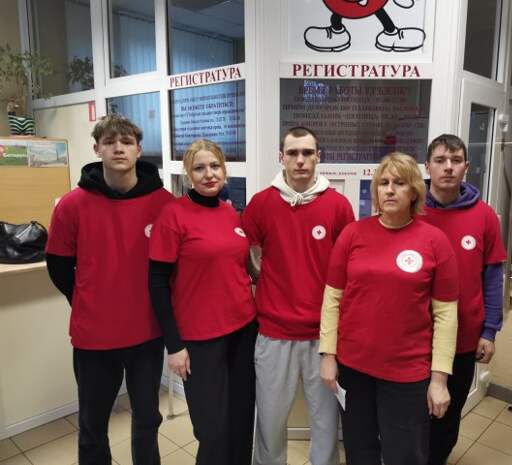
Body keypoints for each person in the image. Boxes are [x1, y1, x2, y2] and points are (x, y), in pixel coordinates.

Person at [46, 115, 174, 465]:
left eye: (127, 142)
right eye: (110, 142)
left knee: (147, 419)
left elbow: (174, 266)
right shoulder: (72, 204)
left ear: (139, 150)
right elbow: (58, 266)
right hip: (94, 336)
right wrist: (87, 299)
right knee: (93, 423)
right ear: (97, 149)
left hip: (147, 332)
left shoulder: (164, 203)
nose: (119, 149)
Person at [319, 152, 459, 465]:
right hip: (354, 368)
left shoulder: (434, 241)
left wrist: (439, 379)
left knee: (405, 454)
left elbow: (446, 315)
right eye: (383, 183)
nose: (390, 190)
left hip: (407, 373)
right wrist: (328, 355)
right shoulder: (353, 234)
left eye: (399, 183)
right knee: (359, 451)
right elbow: (332, 299)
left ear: (414, 192)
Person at [242, 126, 355, 465]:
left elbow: (348, 268)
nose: (300, 160)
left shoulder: (338, 205)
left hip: (324, 337)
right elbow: (249, 255)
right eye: (293, 153)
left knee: (325, 422)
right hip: (274, 333)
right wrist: (267, 282)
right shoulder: (262, 203)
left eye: (307, 153)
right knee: (270, 420)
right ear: (282, 157)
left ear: (318, 157)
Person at [148, 139, 257, 465]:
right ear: (188, 174)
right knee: (212, 430)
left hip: (243, 331)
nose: (209, 174)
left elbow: (238, 268)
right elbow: (157, 283)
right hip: (199, 339)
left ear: (224, 170)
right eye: (199, 168)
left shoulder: (230, 213)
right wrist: (174, 345)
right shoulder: (173, 215)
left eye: (215, 166)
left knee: (241, 421)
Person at [421, 134, 507, 465]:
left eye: (455, 161)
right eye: (440, 160)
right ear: (427, 167)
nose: (448, 167)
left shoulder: (484, 216)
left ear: (466, 167)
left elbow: (493, 276)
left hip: (463, 337)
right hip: (414, 337)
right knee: (411, 412)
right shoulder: (411, 210)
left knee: (446, 412)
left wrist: (490, 330)